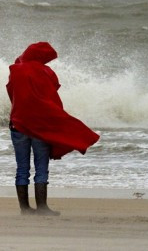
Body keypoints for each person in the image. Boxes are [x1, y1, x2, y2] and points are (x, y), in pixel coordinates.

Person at [6, 42, 100, 216]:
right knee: (41, 167)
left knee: (22, 168)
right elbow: (51, 97)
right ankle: (42, 207)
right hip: (40, 126)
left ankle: (25, 209)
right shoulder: (46, 72)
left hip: (18, 124)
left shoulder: (15, 70)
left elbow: (12, 94)